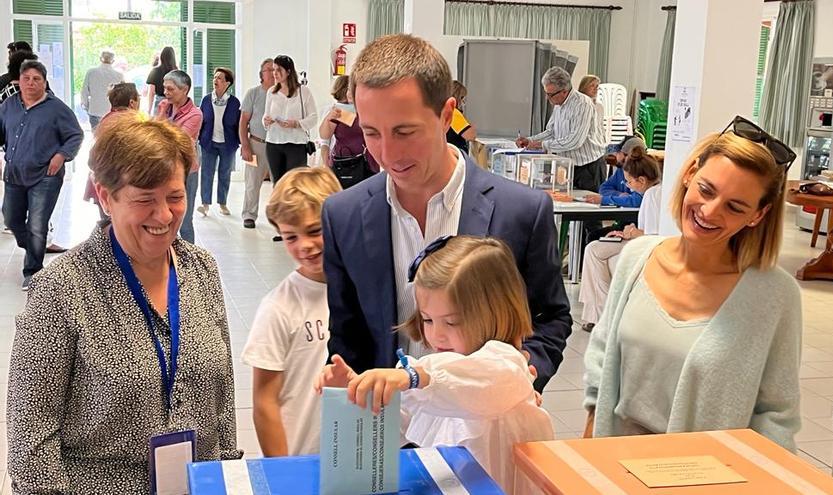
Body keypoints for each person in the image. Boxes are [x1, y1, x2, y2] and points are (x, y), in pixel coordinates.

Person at [322, 34, 571, 392]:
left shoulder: (521, 212)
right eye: (372, 133)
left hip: (483, 424)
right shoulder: (342, 215)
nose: (387, 154)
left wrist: (518, 374)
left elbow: (550, 317)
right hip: (389, 429)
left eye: (405, 132)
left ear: (446, 115)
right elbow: (347, 335)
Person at [7, 114, 241, 492]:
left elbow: (224, 398)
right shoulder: (62, 288)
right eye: (144, 199)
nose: (164, 215)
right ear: (105, 196)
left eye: (175, 196)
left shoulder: (201, 269)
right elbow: (31, 440)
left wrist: (229, 476)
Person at [582, 117, 802, 451]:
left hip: (704, 477)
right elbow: (601, 358)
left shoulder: (774, 295)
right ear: (689, 174)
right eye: (707, 190)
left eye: (735, 206)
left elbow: (777, 415)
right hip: (611, 464)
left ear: (757, 215)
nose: (710, 212)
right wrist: (587, 444)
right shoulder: (636, 259)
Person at [317, 236, 554, 493]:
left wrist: (416, 377)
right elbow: (393, 427)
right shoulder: (434, 380)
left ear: (494, 312)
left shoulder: (506, 364)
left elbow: (484, 381)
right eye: (428, 320)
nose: (436, 335)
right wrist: (359, 393)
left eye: (451, 322)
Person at [242, 167, 342, 457]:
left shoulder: (364, 290)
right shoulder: (278, 307)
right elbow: (264, 402)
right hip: (299, 458)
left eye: (314, 231)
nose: (305, 246)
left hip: (353, 460)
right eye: (290, 237)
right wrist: (282, 472)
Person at [0, 60, 83, 290]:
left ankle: (33, 271)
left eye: (36, 79)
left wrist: (61, 156)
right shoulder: (9, 105)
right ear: (19, 81)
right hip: (15, 173)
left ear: (45, 83)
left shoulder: (56, 108)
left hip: (46, 175)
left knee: (37, 224)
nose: (31, 83)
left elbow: (75, 135)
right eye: (26, 78)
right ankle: (34, 247)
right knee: (11, 218)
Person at [577, 147, 661, 332]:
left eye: (629, 182)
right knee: (593, 249)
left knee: (595, 252)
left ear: (641, 180)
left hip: (644, 246)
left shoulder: (653, 195)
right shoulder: (650, 193)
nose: (628, 186)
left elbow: (655, 236)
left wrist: (632, 233)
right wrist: (628, 232)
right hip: (635, 239)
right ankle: (600, 314)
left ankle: (604, 316)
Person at [518, 67, 606, 193]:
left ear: (564, 91)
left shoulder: (582, 104)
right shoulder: (559, 104)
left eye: (550, 94)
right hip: (567, 166)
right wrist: (530, 140)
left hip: (588, 168)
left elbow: (575, 141)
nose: (547, 98)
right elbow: (551, 131)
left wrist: (541, 145)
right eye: (546, 93)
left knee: (586, 209)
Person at [156, 69, 203, 244]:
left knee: (184, 220)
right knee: (165, 217)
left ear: (185, 90)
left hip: (186, 171)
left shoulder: (195, 114)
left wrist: (160, 125)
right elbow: (153, 135)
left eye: (170, 89)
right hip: (165, 169)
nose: (166, 93)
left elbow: (178, 141)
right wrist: (161, 115)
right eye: (165, 88)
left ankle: (191, 259)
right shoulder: (164, 108)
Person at [84, 82, 140, 221]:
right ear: (132, 103)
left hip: (103, 182)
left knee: (109, 228)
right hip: (119, 186)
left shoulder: (107, 118)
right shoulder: (130, 122)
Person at [264, 55, 317, 183]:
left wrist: (296, 123)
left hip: (296, 144)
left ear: (288, 72)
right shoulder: (271, 92)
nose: (275, 73)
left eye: (278, 70)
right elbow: (265, 116)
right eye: (274, 70)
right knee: (278, 184)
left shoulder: (303, 92)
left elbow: (314, 117)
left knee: (295, 183)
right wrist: (266, 121)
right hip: (273, 143)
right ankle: (279, 204)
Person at [197, 67, 241, 217]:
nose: (215, 80)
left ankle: (222, 203)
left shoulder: (234, 103)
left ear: (227, 83)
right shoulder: (206, 99)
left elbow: (239, 124)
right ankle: (205, 204)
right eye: (214, 77)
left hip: (228, 144)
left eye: (219, 78)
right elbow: (201, 121)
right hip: (208, 142)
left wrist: (241, 143)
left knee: (224, 173)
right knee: (206, 173)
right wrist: (198, 138)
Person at [239, 58, 274, 229]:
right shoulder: (253, 93)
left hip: (277, 145)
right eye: (269, 69)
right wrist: (245, 145)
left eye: (275, 69)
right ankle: (249, 215)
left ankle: (279, 218)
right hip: (256, 144)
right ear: (261, 74)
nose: (273, 72)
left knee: (279, 183)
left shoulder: (282, 94)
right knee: (252, 182)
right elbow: (243, 121)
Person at [584, 135, 647, 207]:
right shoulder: (621, 170)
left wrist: (603, 199)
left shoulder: (641, 173)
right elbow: (603, 188)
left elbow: (635, 200)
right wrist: (619, 195)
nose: (616, 154)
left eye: (618, 152)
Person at [80, 50, 124, 130]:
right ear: (113, 61)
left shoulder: (91, 72)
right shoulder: (119, 75)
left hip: (94, 109)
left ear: (100, 59)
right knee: (109, 138)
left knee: (95, 137)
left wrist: (86, 106)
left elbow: (84, 92)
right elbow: (122, 96)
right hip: (111, 112)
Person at [446, 80, 476, 153]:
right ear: (458, 97)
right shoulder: (454, 113)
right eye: (463, 98)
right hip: (455, 153)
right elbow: (470, 135)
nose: (464, 102)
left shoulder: (443, 110)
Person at [146, 46, 178, 116]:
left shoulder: (155, 71)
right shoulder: (176, 72)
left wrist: (149, 109)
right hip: (173, 102)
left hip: (159, 102)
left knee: (158, 125)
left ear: (161, 57)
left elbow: (151, 92)